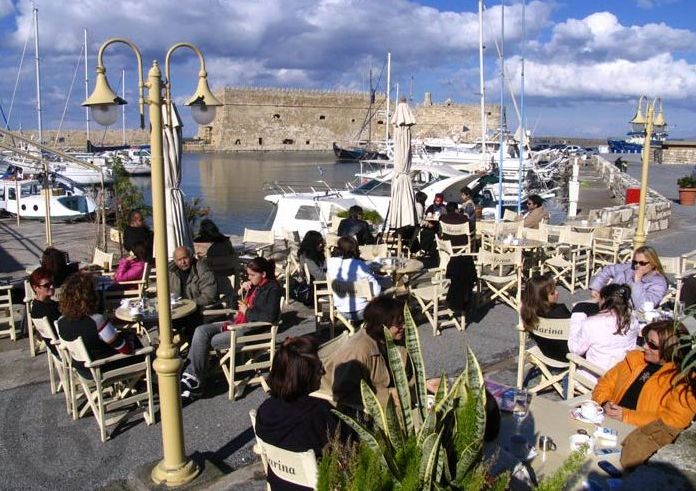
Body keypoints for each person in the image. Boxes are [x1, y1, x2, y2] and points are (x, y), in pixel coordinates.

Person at [180, 257, 282, 401]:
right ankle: (192, 376)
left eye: (253, 275)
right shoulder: (254, 286)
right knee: (201, 330)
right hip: (237, 323)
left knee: (210, 340)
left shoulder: (273, 288)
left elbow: (270, 317)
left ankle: (194, 381)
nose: (249, 278)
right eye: (248, 275)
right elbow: (232, 305)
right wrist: (240, 292)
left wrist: (247, 311)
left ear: (263, 274)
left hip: (252, 330)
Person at [255, 336, 339, 490]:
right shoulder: (317, 413)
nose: (323, 371)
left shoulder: (264, 411)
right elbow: (346, 446)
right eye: (318, 368)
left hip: (279, 483)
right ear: (303, 374)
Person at [593, 320, 696, 428]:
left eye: (653, 345)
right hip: (607, 420)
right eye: (646, 340)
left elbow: (675, 420)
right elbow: (605, 382)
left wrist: (626, 416)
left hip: (640, 435)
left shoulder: (684, 380)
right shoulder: (635, 359)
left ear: (670, 349)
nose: (645, 346)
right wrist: (604, 402)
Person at [320, 296, 407, 411]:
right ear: (382, 325)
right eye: (399, 323)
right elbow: (344, 392)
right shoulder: (358, 351)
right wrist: (387, 394)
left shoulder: (392, 340)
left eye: (405, 321)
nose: (404, 326)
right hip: (358, 409)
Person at [56, 273, 138, 378]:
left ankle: (135, 385)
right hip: (101, 368)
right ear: (89, 296)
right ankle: (145, 383)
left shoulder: (61, 321)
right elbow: (125, 349)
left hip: (81, 369)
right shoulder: (96, 320)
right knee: (136, 344)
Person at [568, 283, 640, 382]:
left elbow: (575, 349)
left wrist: (577, 321)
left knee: (566, 378)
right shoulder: (633, 321)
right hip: (622, 377)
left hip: (597, 378)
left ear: (603, 300)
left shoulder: (591, 323)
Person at [589, 246, 668, 308]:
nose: (637, 265)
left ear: (653, 263)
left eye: (642, 263)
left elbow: (643, 306)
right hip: (607, 303)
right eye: (635, 262)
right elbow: (608, 270)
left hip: (626, 314)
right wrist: (596, 287)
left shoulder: (658, 283)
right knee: (579, 308)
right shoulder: (629, 268)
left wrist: (637, 282)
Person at [325, 236, 382, 321]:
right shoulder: (359, 265)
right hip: (362, 310)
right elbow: (376, 290)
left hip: (341, 310)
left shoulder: (332, 265)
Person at [520, 273, 572, 363]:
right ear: (541, 297)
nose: (557, 292)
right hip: (567, 357)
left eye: (555, 289)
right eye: (552, 292)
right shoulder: (560, 311)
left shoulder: (528, 312)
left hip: (546, 351)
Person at [193, 218, 240, 304]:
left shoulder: (199, 243)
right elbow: (233, 256)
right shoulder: (226, 241)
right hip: (226, 277)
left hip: (211, 281)